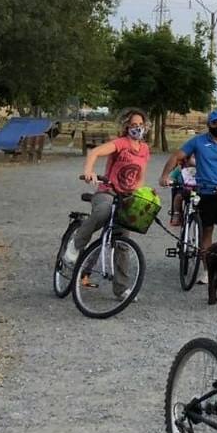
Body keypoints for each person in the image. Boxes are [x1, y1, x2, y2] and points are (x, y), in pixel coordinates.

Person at [64, 108, 151, 299]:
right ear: (127, 126)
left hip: (126, 197)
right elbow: (94, 152)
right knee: (103, 211)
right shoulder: (120, 143)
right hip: (107, 191)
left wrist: (141, 195)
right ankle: (76, 244)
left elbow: (140, 177)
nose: (137, 128)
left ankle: (121, 288)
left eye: (141, 125)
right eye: (134, 124)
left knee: (123, 243)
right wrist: (89, 172)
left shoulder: (144, 149)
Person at [160, 110, 217, 285]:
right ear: (208, 124)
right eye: (214, 123)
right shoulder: (198, 141)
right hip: (205, 192)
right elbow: (177, 155)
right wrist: (165, 175)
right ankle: (207, 271)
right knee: (206, 232)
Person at [167, 155, 196, 227]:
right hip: (184, 189)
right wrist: (171, 181)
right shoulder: (180, 169)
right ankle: (176, 213)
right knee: (178, 196)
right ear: (186, 159)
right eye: (194, 158)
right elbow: (172, 177)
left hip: (197, 190)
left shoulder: (201, 168)